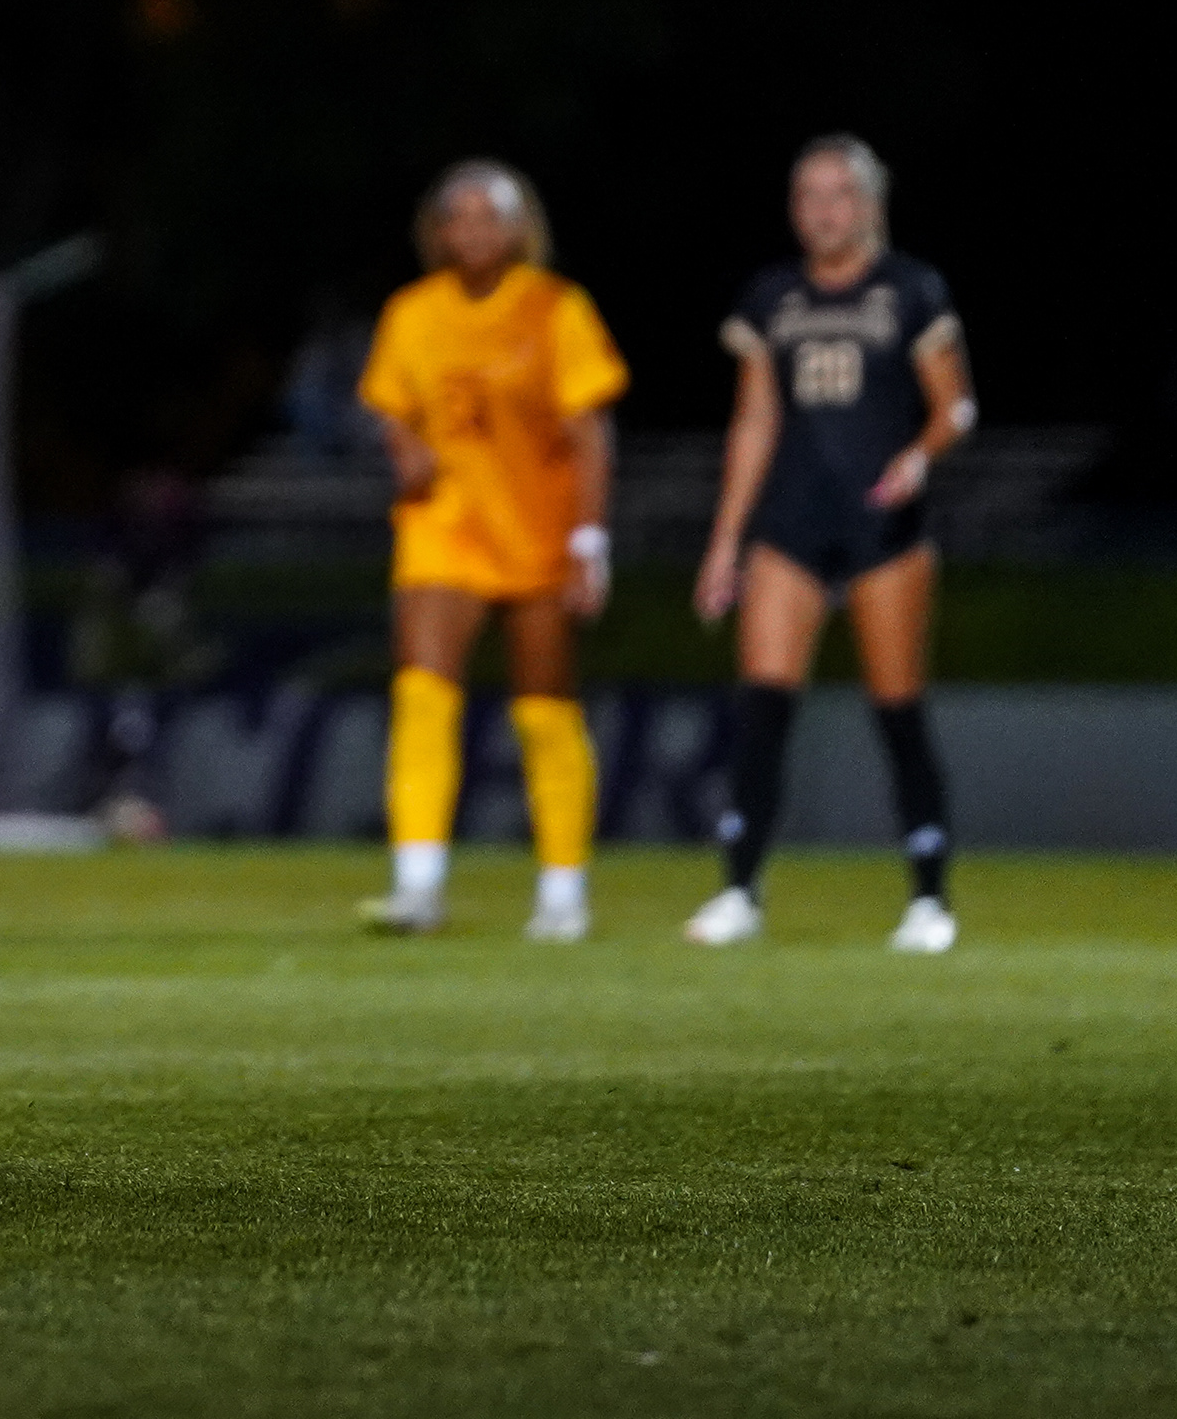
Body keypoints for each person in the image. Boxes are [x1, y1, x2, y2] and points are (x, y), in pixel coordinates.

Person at [685, 135, 977, 954]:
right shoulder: (771, 297)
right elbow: (754, 421)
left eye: (838, 194)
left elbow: (955, 406)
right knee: (763, 708)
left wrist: (919, 457)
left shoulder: (911, 289)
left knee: (897, 710)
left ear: (870, 202)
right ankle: (739, 890)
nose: (822, 211)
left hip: (883, 527)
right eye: (808, 195)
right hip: (791, 524)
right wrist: (725, 542)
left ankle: (929, 899)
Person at [350, 163, 627, 940]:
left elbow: (589, 435)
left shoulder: (554, 308)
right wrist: (404, 447)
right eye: (457, 217)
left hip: (535, 532)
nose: (471, 230)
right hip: (443, 528)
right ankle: (417, 885)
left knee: (545, 710)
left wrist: (589, 542)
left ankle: (563, 891)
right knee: (422, 695)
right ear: (437, 231)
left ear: (518, 228)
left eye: (488, 216)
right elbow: (389, 407)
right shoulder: (412, 312)